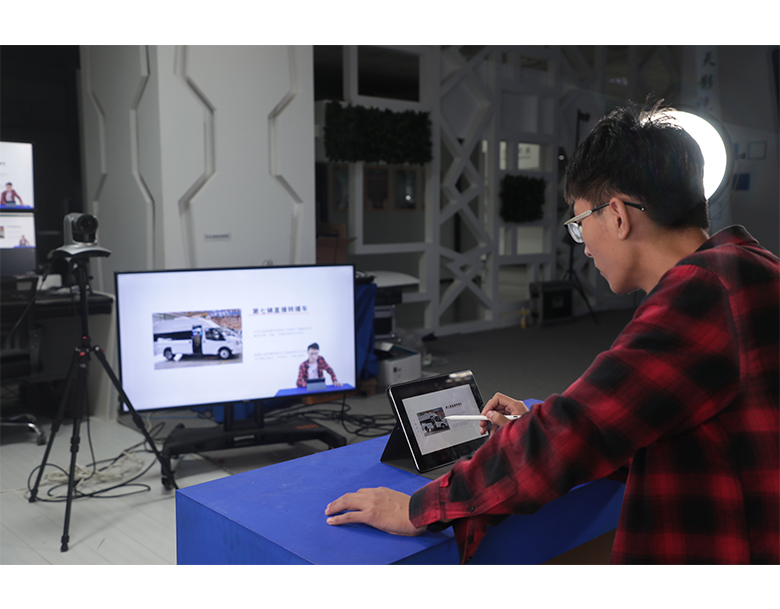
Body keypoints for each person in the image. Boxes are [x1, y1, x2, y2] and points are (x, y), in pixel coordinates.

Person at [324, 102, 780, 564]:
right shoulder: (755, 269)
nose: (584, 249)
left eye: (580, 226)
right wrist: (533, 426)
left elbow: (578, 430)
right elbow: (658, 418)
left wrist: (419, 509)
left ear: (617, 216)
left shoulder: (698, 295)